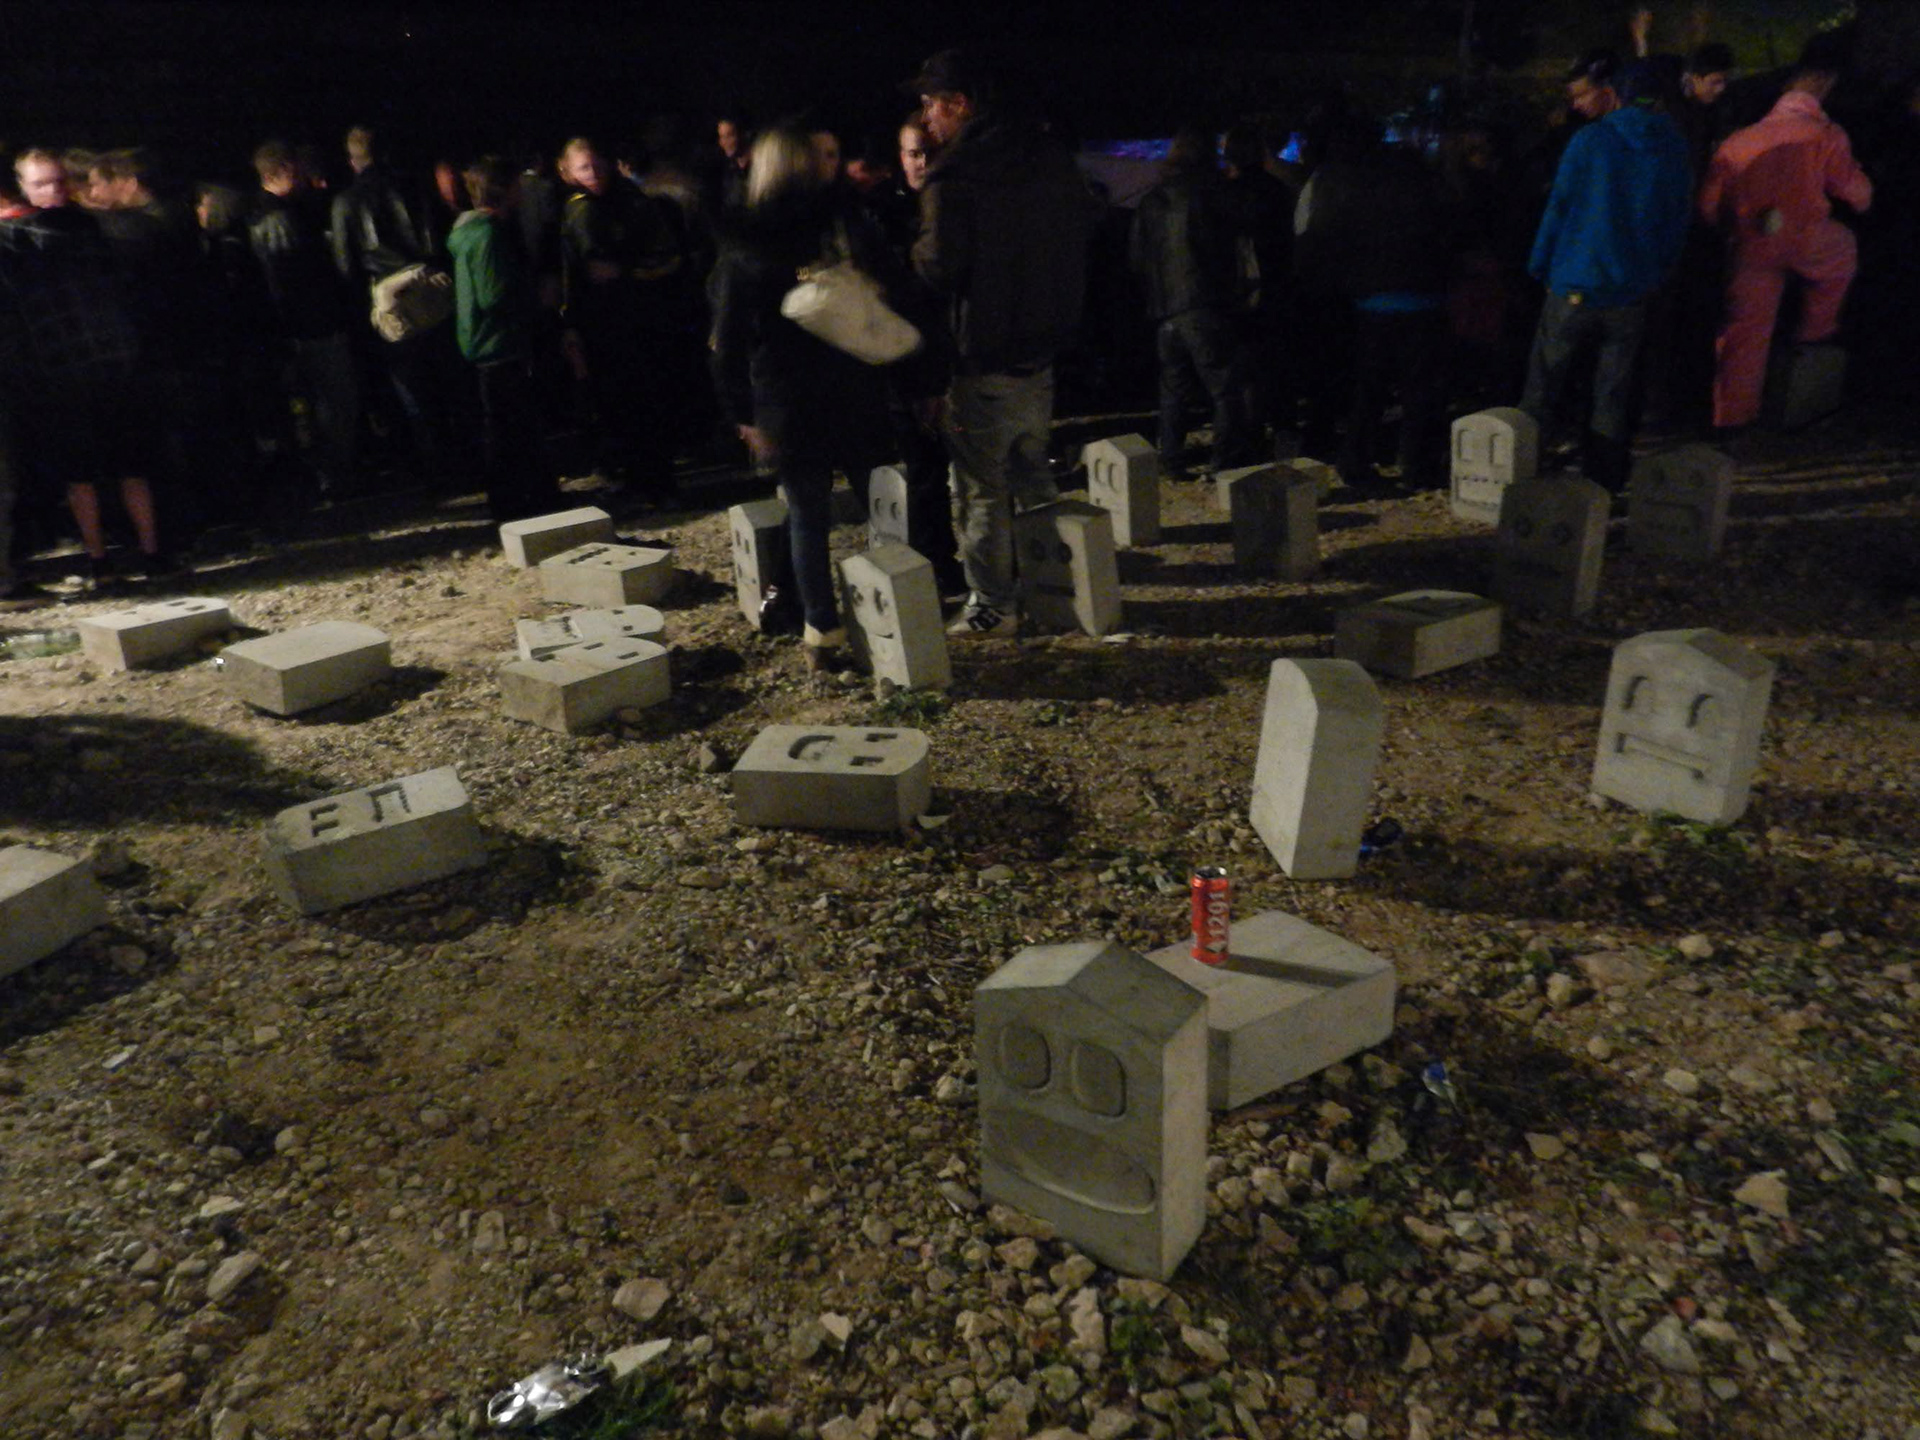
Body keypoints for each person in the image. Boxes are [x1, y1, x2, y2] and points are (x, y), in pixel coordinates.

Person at [908, 48, 1096, 637]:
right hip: (1043, 345)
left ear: (959, 104)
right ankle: (1058, 589)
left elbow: (937, 267)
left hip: (982, 351)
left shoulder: (958, 174)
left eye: (931, 106)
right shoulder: (1051, 157)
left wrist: (901, 262)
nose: (927, 119)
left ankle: (992, 606)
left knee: (980, 489)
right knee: (1033, 472)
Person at [708, 125, 901, 671]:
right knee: (882, 503)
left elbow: (728, 339)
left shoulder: (745, 241)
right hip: (853, 384)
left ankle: (822, 629)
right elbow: (893, 285)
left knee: (807, 516)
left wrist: (742, 413)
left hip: (787, 396)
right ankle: (898, 614)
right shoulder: (843, 224)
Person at [0, 149, 175, 586]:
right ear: (23, 187)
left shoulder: (94, 229)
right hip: (61, 374)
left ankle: (151, 552)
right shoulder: (15, 240)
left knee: (132, 464)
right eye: (41, 184)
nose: (53, 191)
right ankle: (99, 561)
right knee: (81, 474)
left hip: (114, 366)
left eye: (58, 181)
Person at [1518, 61, 1692, 490]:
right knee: (1612, 392)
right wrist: (1657, 272)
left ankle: (1523, 475)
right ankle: (1603, 484)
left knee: (1545, 382)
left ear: (1615, 94)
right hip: (1630, 289)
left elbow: (1559, 206)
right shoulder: (1673, 144)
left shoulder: (1591, 139)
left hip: (1575, 281)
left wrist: (1540, 264)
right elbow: (1676, 220)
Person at [1700, 41, 1872, 432]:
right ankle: (1815, 331)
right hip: (1807, 238)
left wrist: (1731, 229)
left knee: (1744, 331)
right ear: (1823, 85)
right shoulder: (1825, 134)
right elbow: (1857, 194)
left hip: (1752, 243)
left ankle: (1732, 416)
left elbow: (1709, 206)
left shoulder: (1738, 141)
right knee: (1843, 250)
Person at [1295, 123, 1456, 490]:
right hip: (1423, 301)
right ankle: (1415, 465)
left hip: (1374, 302)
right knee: (1420, 390)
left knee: (1370, 388)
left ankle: (1354, 460)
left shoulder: (1363, 192)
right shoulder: (1432, 194)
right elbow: (1450, 239)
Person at [557, 136, 698, 503]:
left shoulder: (633, 204)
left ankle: (657, 481)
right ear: (567, 172)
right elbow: (574, 272)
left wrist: (624, 269)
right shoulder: (575, 210)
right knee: (617, 404)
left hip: (640, 318)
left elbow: (664, 255)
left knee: (647, 400)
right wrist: (570, 323)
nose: (592, 173)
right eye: (583, 167)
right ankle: (637, 478)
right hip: (601, 324)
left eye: (596, 164)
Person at [331, 125, 457, 489]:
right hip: (433, 293)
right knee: (450, 383)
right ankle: (466, 459)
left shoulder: (346, 202)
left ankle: (435, 470)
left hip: (393, 305)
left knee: (414, 392)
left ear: (353, 160)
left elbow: (346, 268)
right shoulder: (415, 187)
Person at [1130, 124, 1249, 476]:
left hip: (1165, 308)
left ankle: (1170, 459)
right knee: (1225, 388)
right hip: (1204, 302)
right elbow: (1231, 248)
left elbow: (1136, 258)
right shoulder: (1212, 193)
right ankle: (1225, 462)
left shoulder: (1152, 200)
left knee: (1174, 388)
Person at [448, 156, 560, 523]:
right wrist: (536, 297)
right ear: (505, 189)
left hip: (483, 343)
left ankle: (518, 499)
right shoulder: (489, 234)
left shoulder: (468, 232)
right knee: (512, 427)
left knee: (503, 426)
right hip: (499, 343)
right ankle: (522, 502)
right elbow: (494, 295)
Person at [249, 139, 362, 497]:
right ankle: (336, 475)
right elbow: (295, 281)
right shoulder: (282, 219)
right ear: (284, 169)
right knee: (336, 401)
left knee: (312, 406)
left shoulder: (261, 214)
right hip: (314, 326)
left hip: (295, 329)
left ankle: (322, 474)